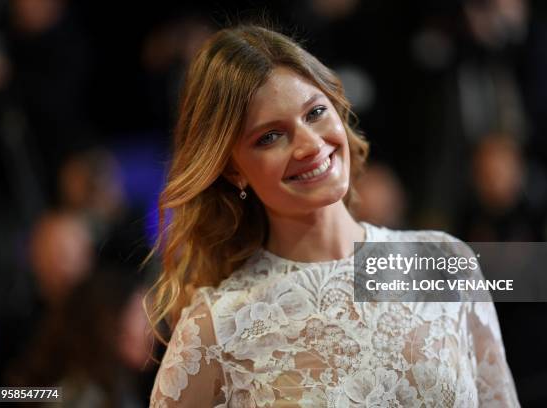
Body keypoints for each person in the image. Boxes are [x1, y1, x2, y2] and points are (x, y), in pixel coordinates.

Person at [147, 23, 519, 407]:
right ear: (233, 169)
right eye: (270, 136)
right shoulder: (215, 328)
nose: (309, 144)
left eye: (315, 112)